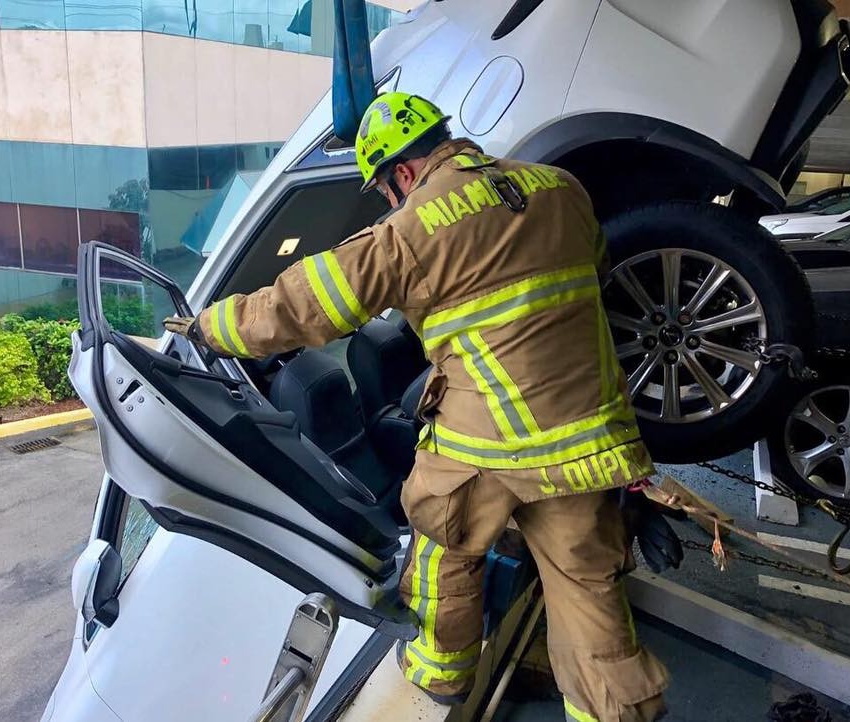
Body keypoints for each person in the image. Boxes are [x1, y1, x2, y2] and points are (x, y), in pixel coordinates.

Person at [165, 92, 670, 721]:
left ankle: (443, 676)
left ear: (402, 173)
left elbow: (299, 306)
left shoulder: (413, 227)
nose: (391, 200)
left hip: (490, 443)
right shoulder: (560, 188)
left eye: (385, 189)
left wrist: (208, 329)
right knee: (588, 592)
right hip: (593, 439)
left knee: (439, 538)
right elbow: (587, 271)